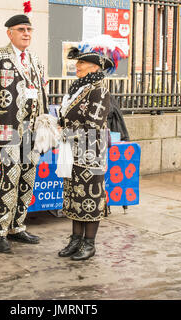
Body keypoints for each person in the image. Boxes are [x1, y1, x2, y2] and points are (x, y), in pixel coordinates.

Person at [0, 14, 48, 253]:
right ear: (10, 33)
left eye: (29, 29)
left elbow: (42, 96)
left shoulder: (36, 59)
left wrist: (46, 126)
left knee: (28, 179)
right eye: (21, 29)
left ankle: (17, 227)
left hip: (32, 131)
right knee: (10, 178)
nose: (26, 33)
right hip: (8, 130)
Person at [57, 35, 127, 261]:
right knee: (75, 194)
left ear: (94, 67)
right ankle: (75, 240)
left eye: (81, 63)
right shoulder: (78, 88)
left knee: (90, 196)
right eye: (76, 63)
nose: (76, 67)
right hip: (73, 149)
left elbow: (93, 125)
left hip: (90, 153)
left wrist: (64, 131)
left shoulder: (99, 90)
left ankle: (89, 243)